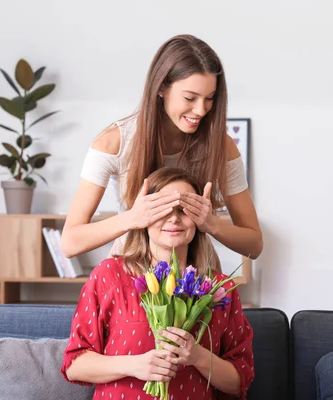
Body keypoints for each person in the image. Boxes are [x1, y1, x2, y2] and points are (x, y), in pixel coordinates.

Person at [61, 34, 263, 261]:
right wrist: (133, 218)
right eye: (190, 97)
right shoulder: (114, 142)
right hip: (131, 277)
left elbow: (254, 245)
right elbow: (70, 243)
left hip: (194, 283)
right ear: (161, 88)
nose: (201, 110)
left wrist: (211, 223)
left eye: (210, 98)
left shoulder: (221, 146)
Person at [61, 167, 254, 399]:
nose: (173, 218)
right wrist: (134, 365)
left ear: (199, 220)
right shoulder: (110, 275)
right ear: (143, 216)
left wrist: (198, 356)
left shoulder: (219, 289)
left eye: (184, 210)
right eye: (161, 209)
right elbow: (74, 365)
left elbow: (239, 382)